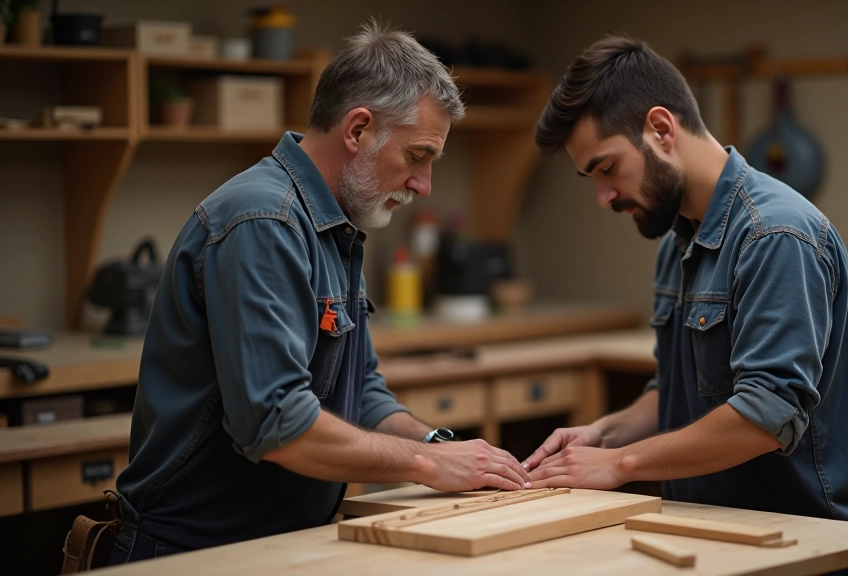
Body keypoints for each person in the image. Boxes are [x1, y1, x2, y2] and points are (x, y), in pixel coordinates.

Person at [106, 21, 530, 564]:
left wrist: (437, 447)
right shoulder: (266, 222)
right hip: (192, 553)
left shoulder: (338, 226)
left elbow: (363, 392)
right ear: (357, 130)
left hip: (275, 544)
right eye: (418, 156)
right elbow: (276, 424)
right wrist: (427, 467)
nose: (424, 185)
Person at [524, 35, 848, 576]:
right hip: (706, 544)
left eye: (607, 168)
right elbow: (677, 389)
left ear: (661, 130)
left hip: (799, 553)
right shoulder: (677, 242)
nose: (604, 197)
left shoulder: (775, 235)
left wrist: (619, 464)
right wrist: (605, 434)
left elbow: (764, 416)